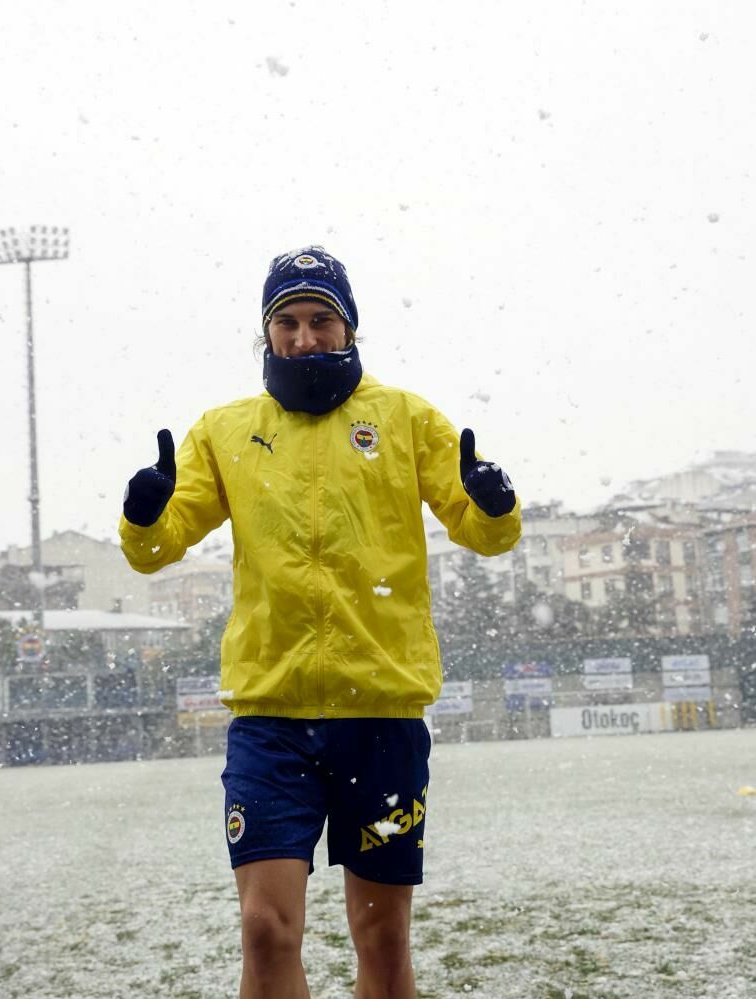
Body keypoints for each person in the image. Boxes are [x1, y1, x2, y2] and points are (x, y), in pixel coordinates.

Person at [119, 246, 521, 998]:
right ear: (266, 334)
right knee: (265, 929)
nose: (304, 337)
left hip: (381, 714)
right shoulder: (224, 430)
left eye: (321, 319)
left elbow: (481, 530)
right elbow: (157, 547)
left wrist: (493, 503)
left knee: (383, 939)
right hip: (270, 718)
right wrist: (143, 515)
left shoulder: (403, 419)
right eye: (288, 322)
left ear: (349, 328)